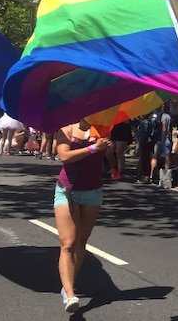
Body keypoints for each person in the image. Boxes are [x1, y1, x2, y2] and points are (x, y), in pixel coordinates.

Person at [53, 119, 112, 313]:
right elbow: (64, 156)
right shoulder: (66, 127)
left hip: (93, 192)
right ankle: (70, 293)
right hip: (67, 189)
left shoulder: (103, 128)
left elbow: (108, 152)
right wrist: (93, 148)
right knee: (68, 242)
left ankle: (67, 284)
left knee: (81, 242)